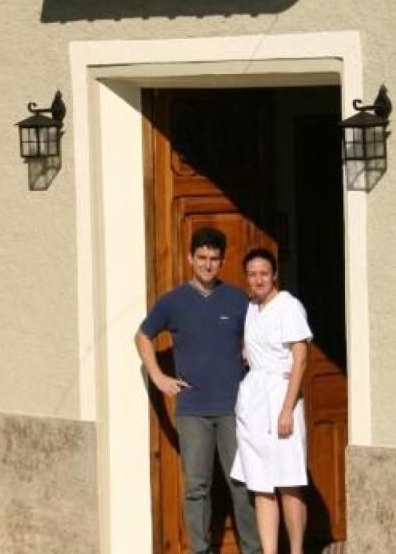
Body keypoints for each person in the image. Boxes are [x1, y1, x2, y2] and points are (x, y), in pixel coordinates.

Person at [134, 227, 261, 554]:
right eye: (201, 258)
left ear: (222, 261)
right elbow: (143, 336)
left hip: (234, 408)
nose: (207, 265)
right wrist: (159, 377)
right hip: (192, 411)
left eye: (214, 259)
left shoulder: (237, 299)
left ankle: (253, 550)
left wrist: (250, 350)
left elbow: (257, 335)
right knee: (196, 488)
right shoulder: (173, 302)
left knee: (242, 484)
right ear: (190, 258)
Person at [230, 247, 311, 554]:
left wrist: (287, 409)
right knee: (261, 484)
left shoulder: (289, 306)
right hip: (253, 403)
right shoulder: (251, 307)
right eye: (252, 274)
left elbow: (300, 358)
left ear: (274, 275)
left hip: (280, 397)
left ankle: (297, 550)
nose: (258, 279)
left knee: (289, 481)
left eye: (264, 273)